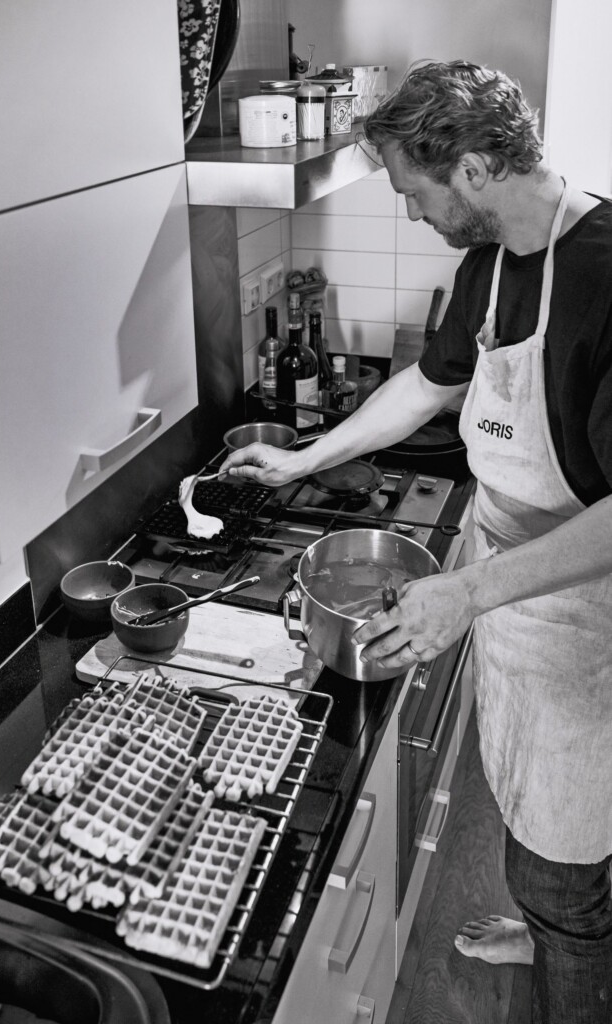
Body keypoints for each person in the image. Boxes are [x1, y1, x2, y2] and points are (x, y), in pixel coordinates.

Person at [221, 60, 612, 1024]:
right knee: (537, 819)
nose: (406, 211)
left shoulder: (607, 274)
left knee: (567, 855)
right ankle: (557, 920)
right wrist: (308, 456)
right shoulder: (489, 264)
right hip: (515, 590)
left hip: (589, 611)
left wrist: (467, 592)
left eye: (410, 188)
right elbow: (430, 386)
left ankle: (573, 944)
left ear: (472, 169)